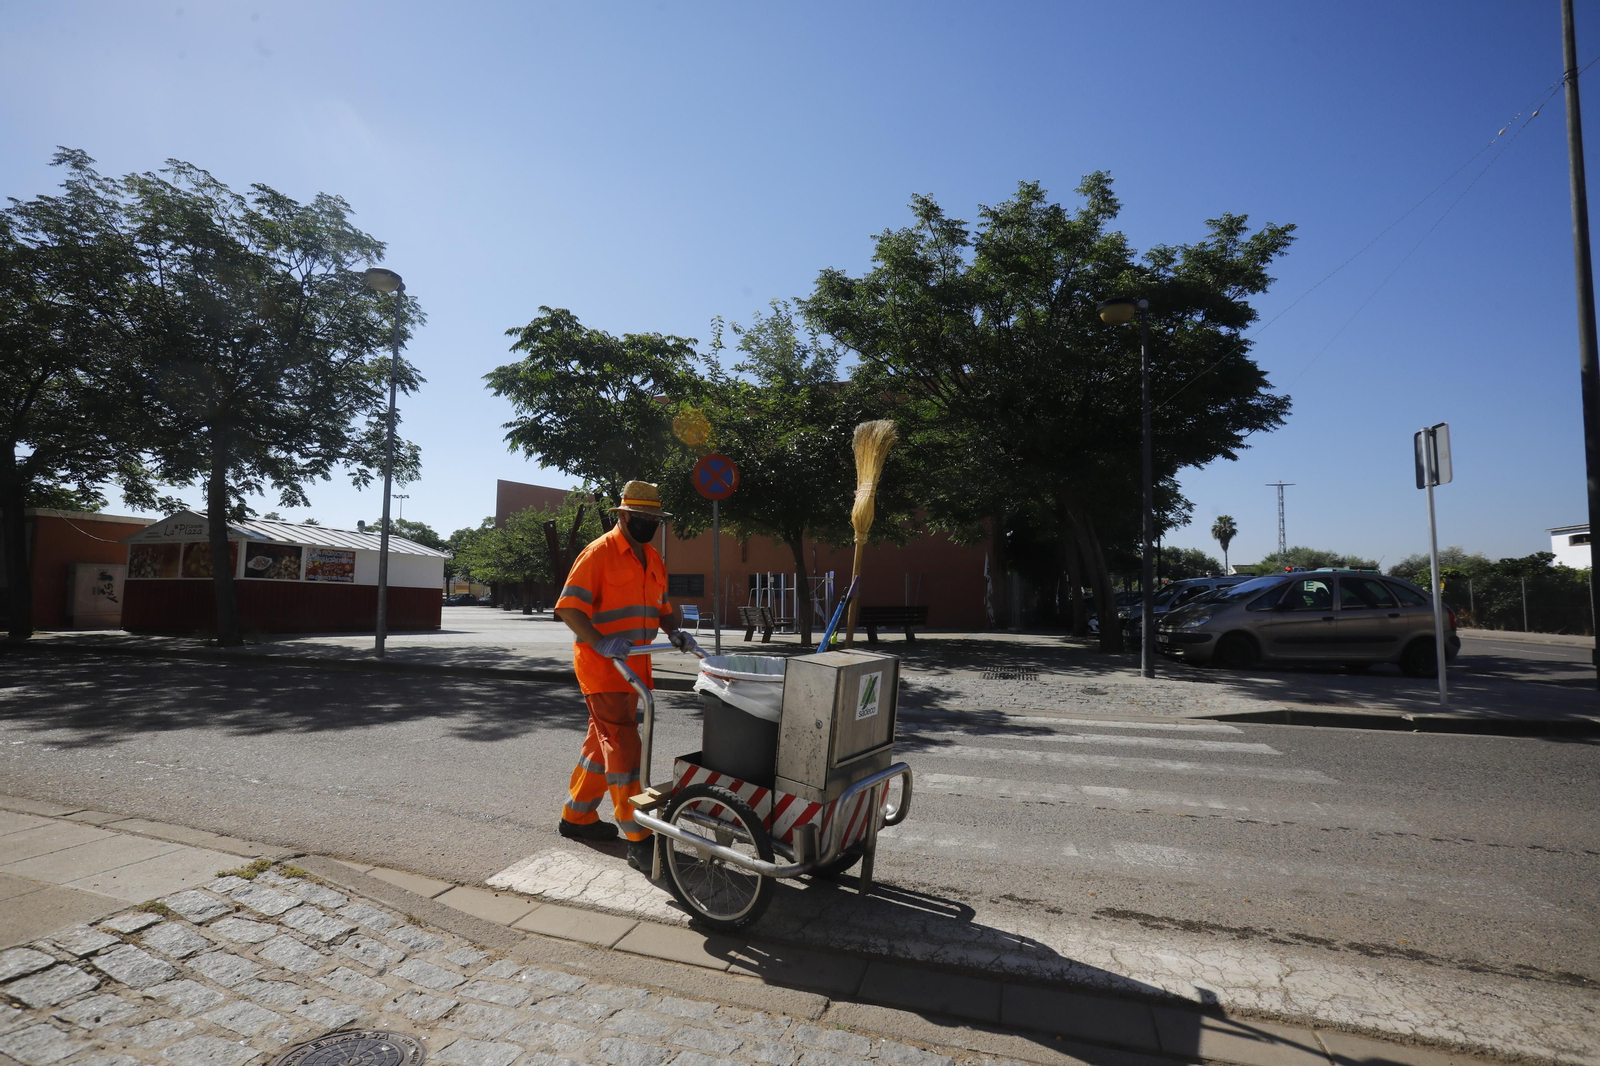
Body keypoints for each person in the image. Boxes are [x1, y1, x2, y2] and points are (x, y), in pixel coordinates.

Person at [553, 480, 700, 873]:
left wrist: (675, 630)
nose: (649, 523)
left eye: (654, 518)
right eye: (642, 517)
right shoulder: (598, 553)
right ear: (623, 515)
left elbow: (662, 606)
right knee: (622, 744)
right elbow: (569, 609)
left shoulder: (653, 557)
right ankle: (638, 836)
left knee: (600, 740)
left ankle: (577, 816)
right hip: (604, 666)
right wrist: (600, 643)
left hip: (634, 668)